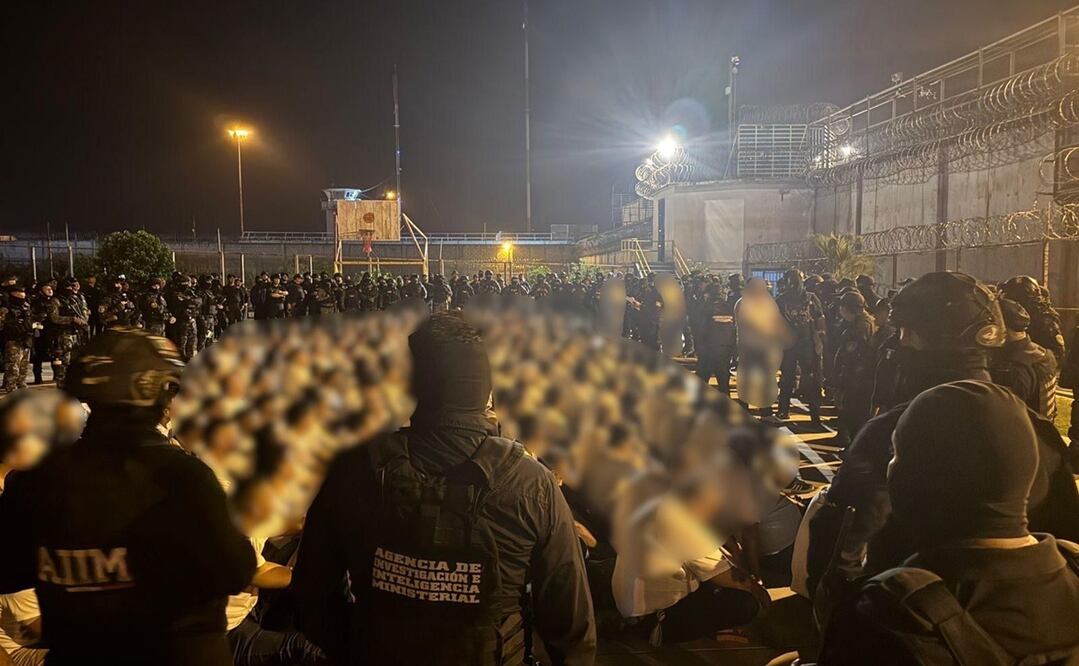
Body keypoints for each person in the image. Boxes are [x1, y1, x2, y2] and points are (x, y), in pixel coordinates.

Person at [293, 313, 596, 665]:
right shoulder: (531, 483)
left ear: (412, 386)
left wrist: (357, 645)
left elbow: (311, 592)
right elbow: (572, 627)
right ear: (486, 390)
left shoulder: (357, 470)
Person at [806, 272, 1079, 612]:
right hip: (1029, 626)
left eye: (906, 333)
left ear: (924, 340)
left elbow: (838, 553)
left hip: (909, 629)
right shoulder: (1037, 431)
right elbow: (1067, 536)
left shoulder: (892, 432)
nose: (900, 343)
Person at [0, 328, 256, 665]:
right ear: (151, 391)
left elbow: (9, 570)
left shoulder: (35, 481)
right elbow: (236, 569)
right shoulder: (182, 476)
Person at [819, 381, 1079, 664]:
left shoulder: (893, 613)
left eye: (897, 453)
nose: (891, 466)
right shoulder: (1073, 566)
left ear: (921, 475)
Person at [990, 298, 1058, 420]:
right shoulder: (1044, 353)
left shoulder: (1013, 368)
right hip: (1043, 433)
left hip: (1024, 434)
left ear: (1002, 327)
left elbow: (1005, 416)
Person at [775, 269, 825, 422]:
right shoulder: (781, 300)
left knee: (810, 378)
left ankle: (815, 413)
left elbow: (820, 318)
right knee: (787, 378)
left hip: (807, 343)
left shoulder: (811, 298)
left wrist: (820, 338)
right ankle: (784, 410)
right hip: (788, 344)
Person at [831, 291, 876, 447]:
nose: (840, 310)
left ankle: (855, 447)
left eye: (843, 307)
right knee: (849, 414)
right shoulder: (857, 323)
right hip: (853, 376)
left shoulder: (861, 326)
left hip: (856, 378)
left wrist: (845, 377)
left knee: (855, 415)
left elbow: (854, 353)